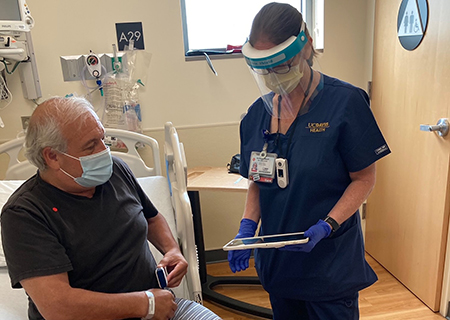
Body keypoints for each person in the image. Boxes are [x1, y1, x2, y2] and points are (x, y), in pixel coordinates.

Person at [227, 3, 391, 320]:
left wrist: (326, 226)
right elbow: (258, 181)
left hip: (329, 266)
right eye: (265, 69)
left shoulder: (345, 103)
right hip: (280, 268)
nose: (274, 76)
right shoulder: (255, 116)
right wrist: (247, 226)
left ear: (307, 47)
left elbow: (364, 179)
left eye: (282, 65)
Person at [0, 96, 221, 320]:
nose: (103, 151)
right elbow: (59, 307)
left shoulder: (116, 171)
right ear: (53, 156)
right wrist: (145, 303)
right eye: (90, 146)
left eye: (102, 139)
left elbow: (152, 218)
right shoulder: (25, 214)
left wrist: (172, 250)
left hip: (160, 309)